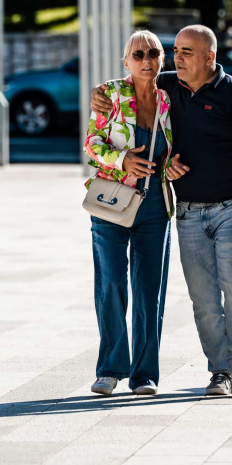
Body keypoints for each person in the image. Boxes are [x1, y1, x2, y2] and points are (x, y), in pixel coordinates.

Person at [91, 25, 232, 396]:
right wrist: (120, 149)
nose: (167, 59)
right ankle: (121, 368)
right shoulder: (134, 92)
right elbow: (94, 139)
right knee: (176, 293)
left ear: (210, 57)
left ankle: (230, 368)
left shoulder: (206, 93)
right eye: (172, 51)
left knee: (221, 286)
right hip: (146, 204)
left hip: (207, 205)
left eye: (157, 54)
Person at [84, 30, 177, 397]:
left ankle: (144, 375)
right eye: (138, 54)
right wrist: (124, 160)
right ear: (126, 61)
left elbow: (177, 147)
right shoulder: (110, 95)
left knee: (149, 289)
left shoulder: (171, 98)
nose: (146, 60)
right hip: (112, 199)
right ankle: (109, 369)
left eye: (153, 53)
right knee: (110, 283)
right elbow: (92, 145)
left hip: (156, 203)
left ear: (162, 59)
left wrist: (175, 166)